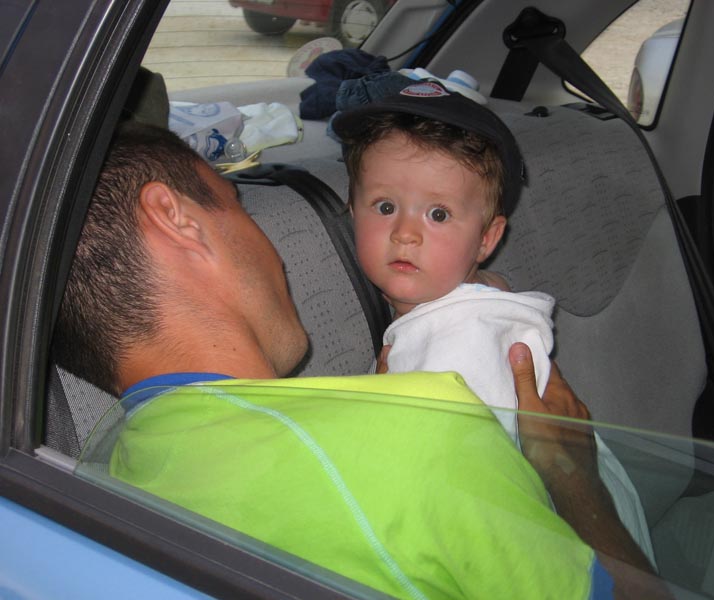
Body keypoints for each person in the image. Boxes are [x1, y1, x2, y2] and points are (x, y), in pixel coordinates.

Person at [54, 123, 667, 599]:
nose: (270, 244)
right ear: (177, 219)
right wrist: (570, 472)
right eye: (238, 205)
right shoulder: (424, 434)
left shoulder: (99, 479)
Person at [332, 81, 654, 562]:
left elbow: (434, 503)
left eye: (438, 214)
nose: (405, 233)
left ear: (487, 238)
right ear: (352, 212)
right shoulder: (484, 297)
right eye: (385, 207)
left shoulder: (458, 347)